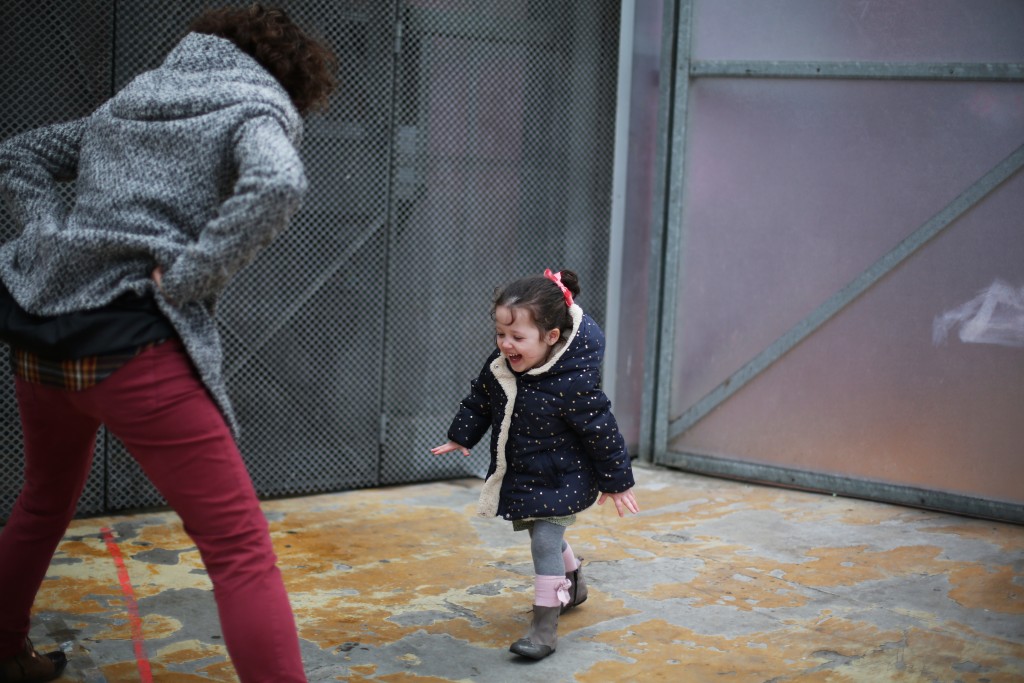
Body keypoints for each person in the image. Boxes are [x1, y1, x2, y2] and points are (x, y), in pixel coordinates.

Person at [0, 5, 336, 682]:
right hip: (133, 345)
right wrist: (188, 275)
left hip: (43, 342)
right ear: (290, 77)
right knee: (239, 549)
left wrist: (55, 240)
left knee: (41, 501)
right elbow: (279, 181)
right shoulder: (254, 106)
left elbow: (16, 155)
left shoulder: (132, 101)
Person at [431, 268, 639, 661]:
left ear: (551, 337)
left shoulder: (574, 381)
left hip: (565, 476)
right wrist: (461, 435)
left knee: (544, 540)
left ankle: (544, 629)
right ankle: (574, 583)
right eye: (500, 334)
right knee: (540, 535)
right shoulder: (501, 364)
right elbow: (481, 399)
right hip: (527, 472)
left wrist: (617, 481)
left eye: (517, 337)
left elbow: (601, 430)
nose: (505, 345)